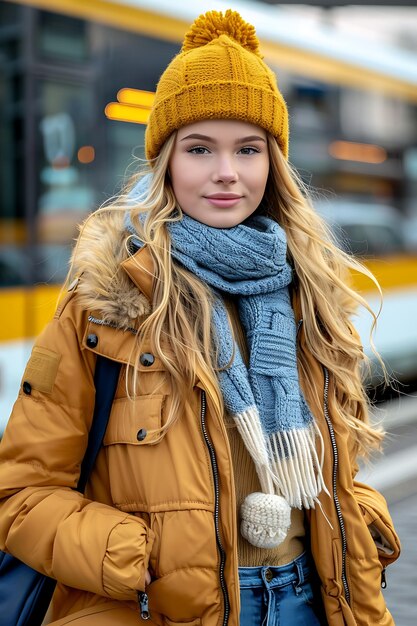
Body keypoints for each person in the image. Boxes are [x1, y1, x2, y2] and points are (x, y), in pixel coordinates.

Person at [0, 9, 401, 626]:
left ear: (272, 165)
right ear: (166, 163)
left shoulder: (312, 299)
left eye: (248, 149)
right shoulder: (105, 306)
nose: (225, 173)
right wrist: (138, 557)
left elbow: (336, 466)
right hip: (161, 609)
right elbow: (19, 495)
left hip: (314, 600)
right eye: (198, 148)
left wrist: (359, 520)